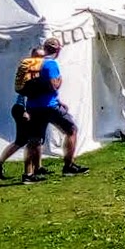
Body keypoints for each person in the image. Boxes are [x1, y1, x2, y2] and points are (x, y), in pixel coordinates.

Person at [25, 37, 89, 178]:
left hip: (33, 106)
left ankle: (31, 172)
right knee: (71, 130)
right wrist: (60, 80)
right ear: (57, 50)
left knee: (35, 138)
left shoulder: (32, 64)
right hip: (49, 106)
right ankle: (68, 165)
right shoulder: (51, 64)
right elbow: (54, 85)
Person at [0, 45, 47, 183]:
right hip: (23, 109)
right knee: (29, 140)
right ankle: (22, 171)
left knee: (31, 140)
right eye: (39, 56)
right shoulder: (29, 69)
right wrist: (26, 111)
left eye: (43, 57)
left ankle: (37, 168)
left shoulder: (37, 69)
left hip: (25, 108)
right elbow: (25, 92)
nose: (41, 59)